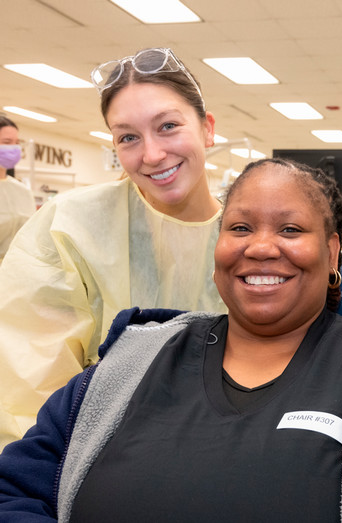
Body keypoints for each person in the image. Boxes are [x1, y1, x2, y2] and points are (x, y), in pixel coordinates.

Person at [0, 158, 342, 522]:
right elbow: (16, 491)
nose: (260, 248)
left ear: (332, 255)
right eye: (239, 228)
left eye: (289, 230)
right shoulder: (130, 363)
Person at [0, 48, 227, 450]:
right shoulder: (70, 226)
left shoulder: (249, 234)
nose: (152, 154)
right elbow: (29, 389)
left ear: (207, 128)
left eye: (169, 126)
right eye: (128, 137)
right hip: (100, 453)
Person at [0, 116, 35, 261]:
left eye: (16, 143)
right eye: (7, 142)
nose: (14, 148)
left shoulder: (23, 191)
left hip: (13, 272)